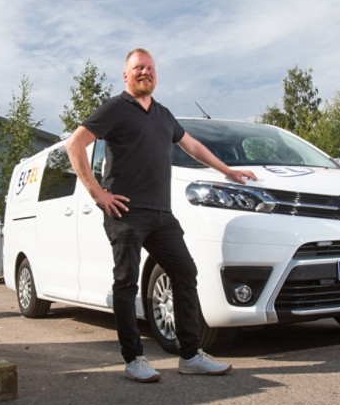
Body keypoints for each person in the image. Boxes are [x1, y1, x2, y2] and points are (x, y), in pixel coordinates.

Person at [65, 48, 257, 382]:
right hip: (125, 212)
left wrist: (229, 171)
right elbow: (75, 144)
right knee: (126, 282)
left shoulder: (163, 115)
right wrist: (97, 193)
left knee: (185, 273)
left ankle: (190, 355)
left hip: (161, 214)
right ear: (126, 75)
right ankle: (133, 359)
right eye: (138, 68)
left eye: (150, 68)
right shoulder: (115, 108)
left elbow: (192, 146)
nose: (145, 73)